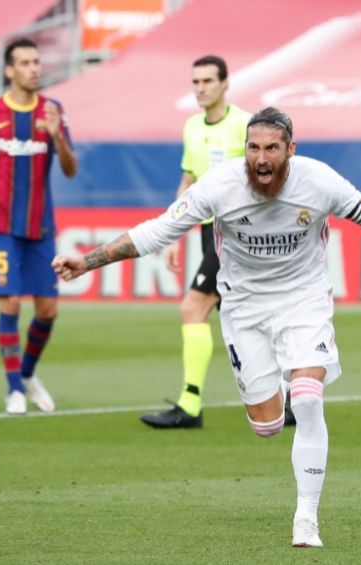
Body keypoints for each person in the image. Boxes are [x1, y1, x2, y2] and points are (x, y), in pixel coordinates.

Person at [53, 107, 361, 547]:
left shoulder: (320, 182)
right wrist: (88, 261)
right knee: (266, 425)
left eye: (271, 148)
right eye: (253, 148)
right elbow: (158, 231)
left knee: (308, 398)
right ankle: (282, 382)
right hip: (243, 308)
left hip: (303, 300)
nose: (261, 159)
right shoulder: (220, 185)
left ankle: (306, 517)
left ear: (291, 149)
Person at [140, 55, 256, 429]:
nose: (201, 88)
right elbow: (189, 180)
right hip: (209, 230)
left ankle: (189, 405)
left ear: (225, 83)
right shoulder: (192, 127)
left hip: (236, 231)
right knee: (243, 317)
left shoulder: (244, 124)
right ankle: (284, 399)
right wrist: (173, 232)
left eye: (208, 81)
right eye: (196, 82)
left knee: (193, 309)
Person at [0, 37, 77, 415]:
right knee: (11, 301)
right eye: (26, 63)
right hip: (2, 226)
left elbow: (70, 169)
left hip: (41, 227)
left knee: (48, 311)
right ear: (10, 70)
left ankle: (27, 374)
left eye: (36, 61)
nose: (34, 68)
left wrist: (57, 136)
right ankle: (14, 389)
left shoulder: (52, 110)